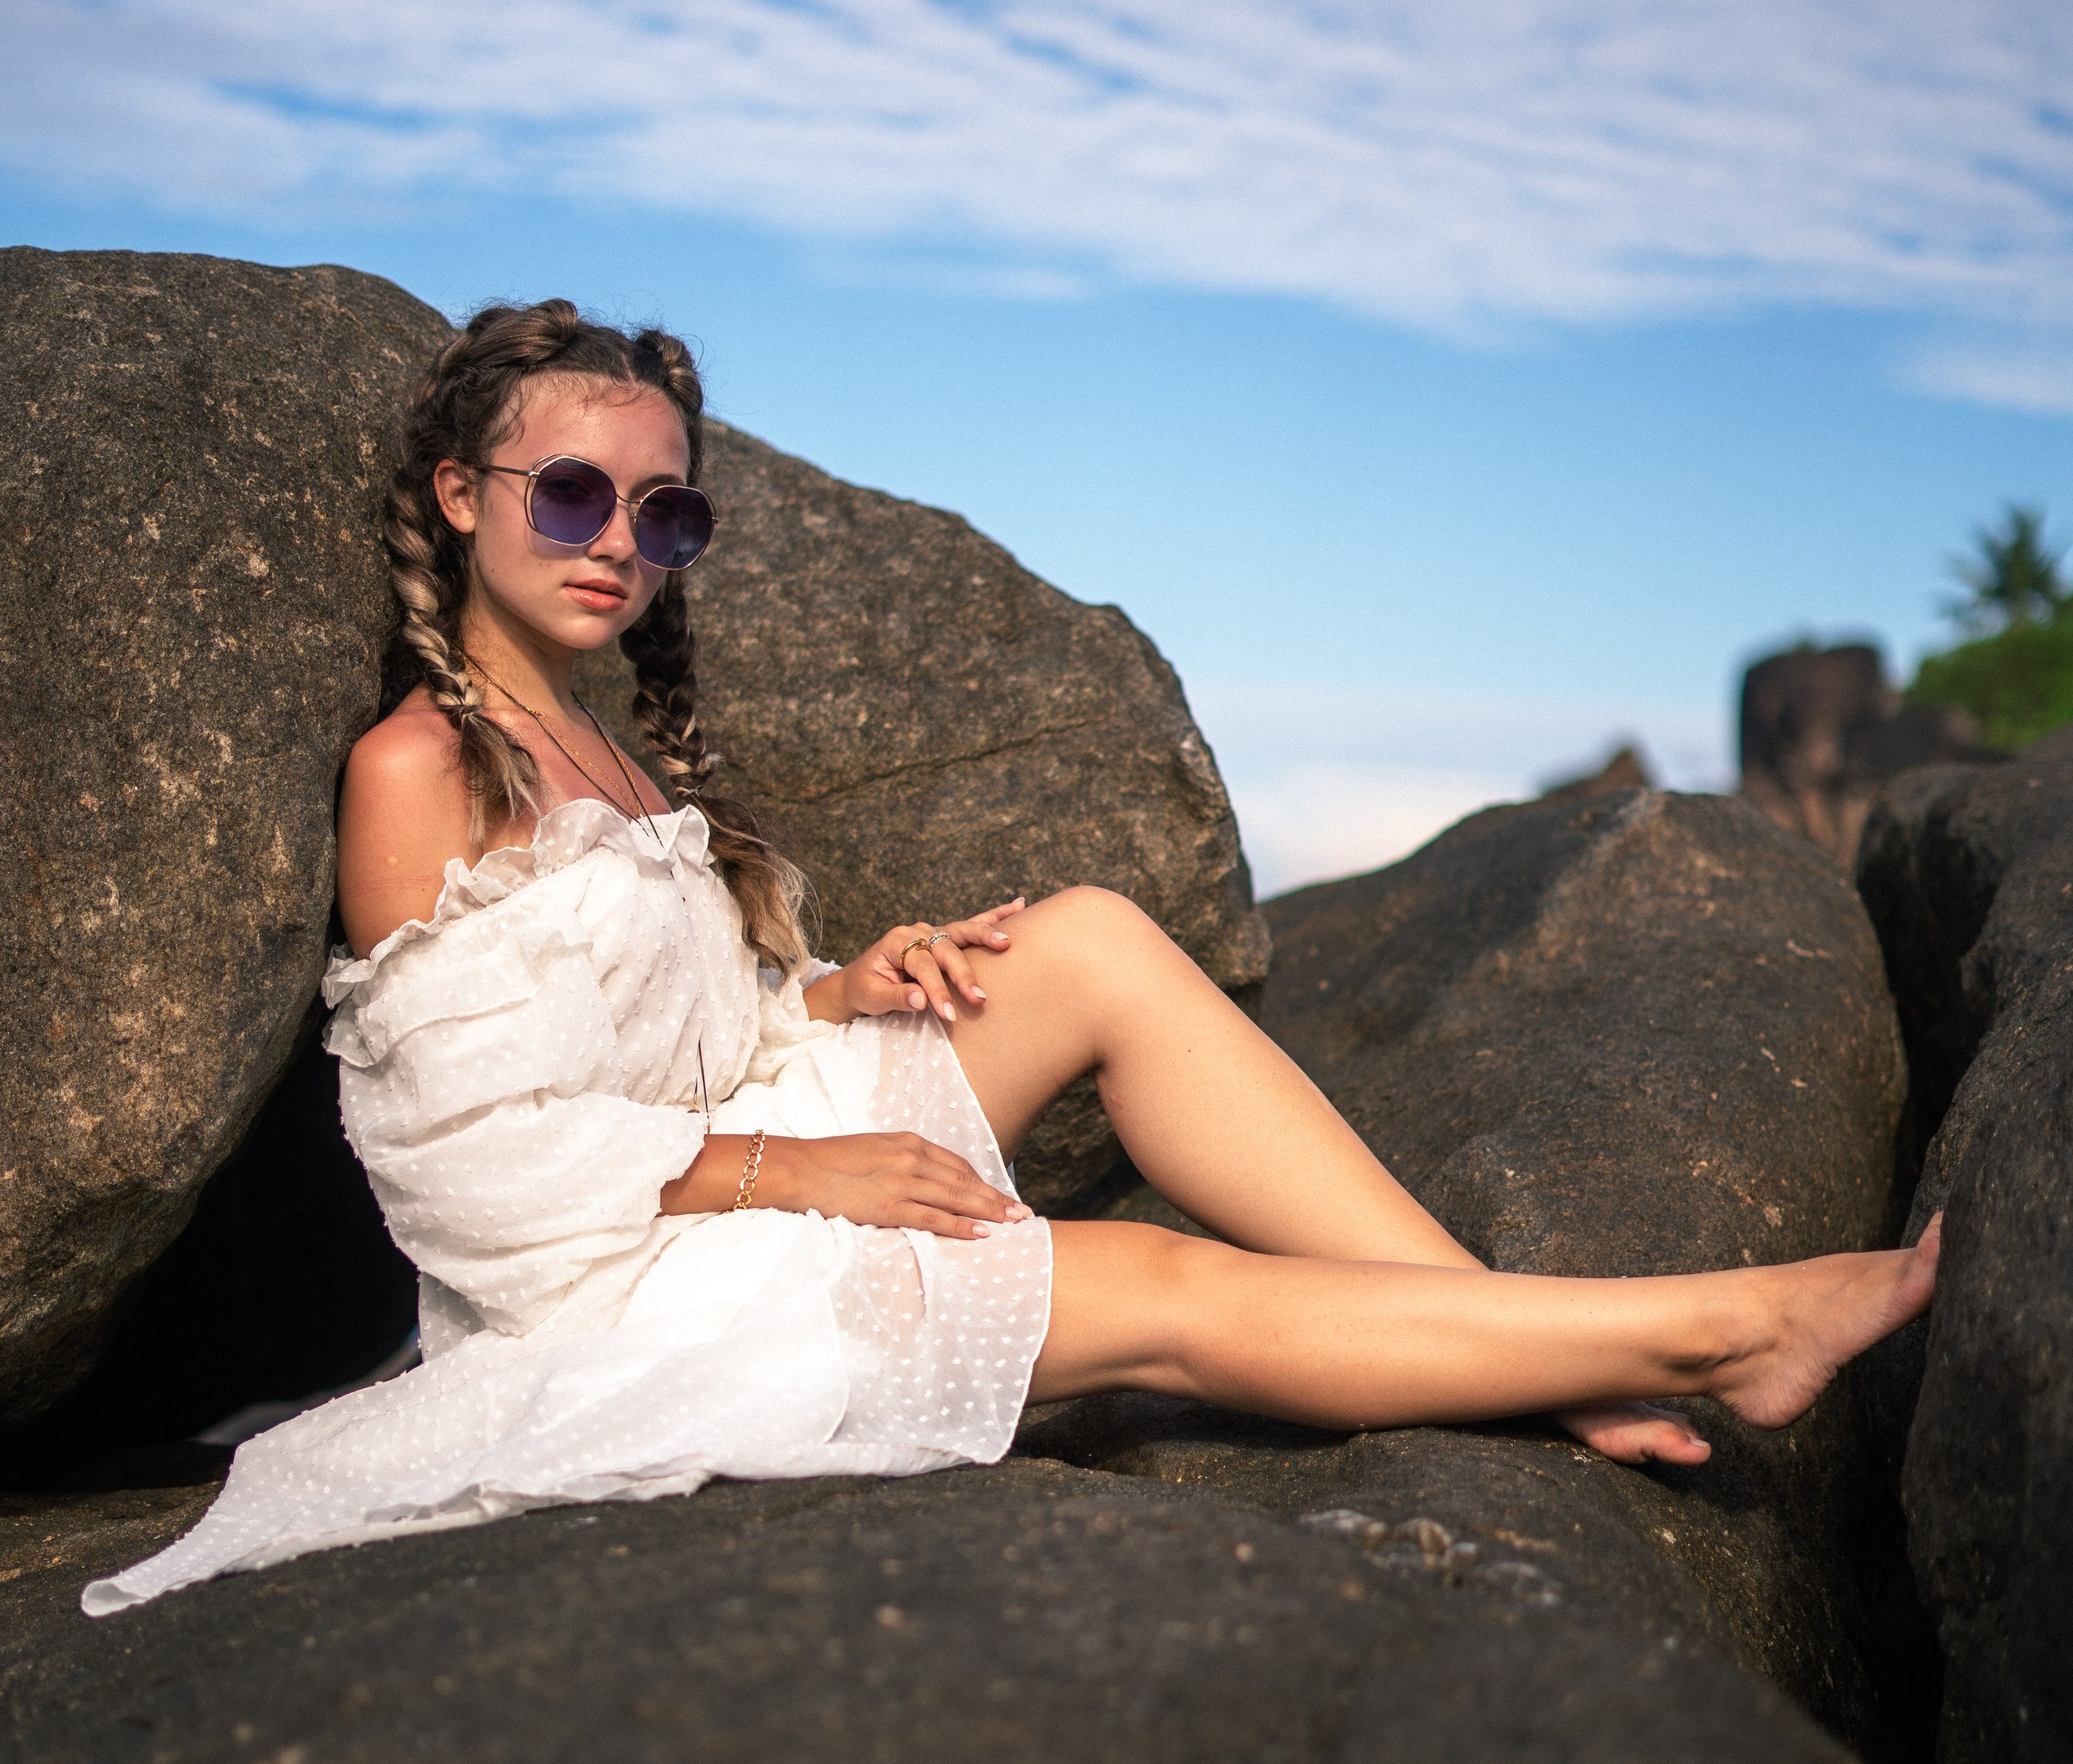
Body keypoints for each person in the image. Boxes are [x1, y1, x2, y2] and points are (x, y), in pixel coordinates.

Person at [84, 302, 1938, 1614]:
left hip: (713, 1162)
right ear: (458, 495)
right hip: (608, 1286)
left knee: (1092, 945)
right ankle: (1719, 1330)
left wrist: (835, 993)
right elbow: (469, 1167)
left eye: (664, 511)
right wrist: (793, 1171)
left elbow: (674, 1033)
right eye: (571, 494)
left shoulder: (602, 748)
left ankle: (1504, 1344)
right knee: (1147, 1284)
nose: (620, 544)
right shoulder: (418, 773)